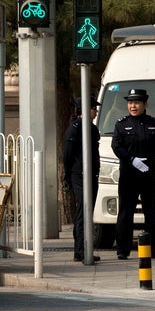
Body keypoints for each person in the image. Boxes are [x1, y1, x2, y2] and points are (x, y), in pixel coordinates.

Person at [112, 89, 155, 260]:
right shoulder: (121, 124)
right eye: (130, 102)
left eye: (137, 102)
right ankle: (123, 250)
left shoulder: (154, 124)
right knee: (126, 212)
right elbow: (117, 147)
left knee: (151, 213)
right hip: (129, 176)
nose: (133, 106)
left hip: (149, 176)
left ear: (145, 104)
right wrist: (131, 159)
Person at [62, 96, 101, 263]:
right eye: (93, 108)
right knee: (82, 212)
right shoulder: (75, 128)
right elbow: (67, 155)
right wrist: (68, 176)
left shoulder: (92, 128)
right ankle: (80, 250)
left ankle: (85, 249)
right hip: (79, 174)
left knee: (87, 211)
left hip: (91, 174)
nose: (96, 111)